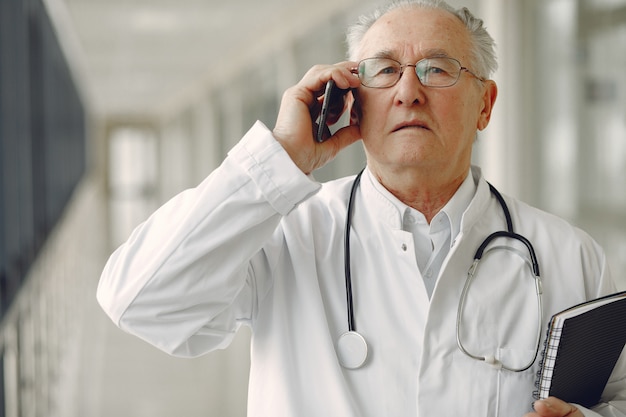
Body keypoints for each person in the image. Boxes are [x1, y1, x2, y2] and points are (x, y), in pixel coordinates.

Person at [97, 0, 626, 416]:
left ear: (484, 104)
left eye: (438, 69)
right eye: (383, 70)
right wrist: (282, 155)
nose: (408, 91)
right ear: (353, 98)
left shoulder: (570, 255)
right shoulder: (285, 233)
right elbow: (140, 300)